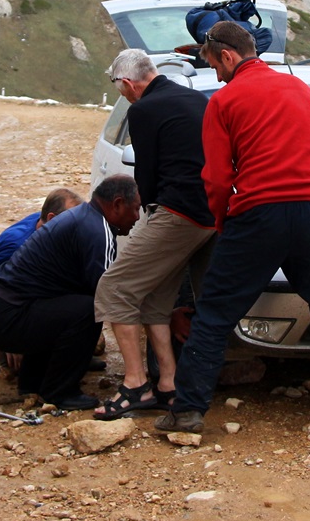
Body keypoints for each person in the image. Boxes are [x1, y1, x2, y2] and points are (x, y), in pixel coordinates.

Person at [155, 22, 310, 435]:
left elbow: (214, 177)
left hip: (257, 214)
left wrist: (226, 221)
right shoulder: (302, 91)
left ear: (227, 56)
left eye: (213, 63)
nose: (214, 72)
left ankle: (187, 412)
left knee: (215, 315)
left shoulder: (224, 102)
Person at [93, 49, 217, 420]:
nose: (122, 94)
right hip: (211, 213)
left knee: (114, 288)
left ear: (128, 83)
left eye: (119, 88)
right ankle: (169, 384)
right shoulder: (195, 98)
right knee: (154, 298)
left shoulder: (143, 110)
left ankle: (135, 384)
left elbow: (145, 176)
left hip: (177, 212)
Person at [0, 175, 141, 410]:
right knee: (88, 309)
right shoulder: (98, 230)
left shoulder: (83, 217)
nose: (137, 217)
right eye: (135, 209)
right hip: (7, 317)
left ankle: (33, 382)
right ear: (117, 204)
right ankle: (60, 391)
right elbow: (108, 295)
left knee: (71, 304)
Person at [0, 188, 85, 373]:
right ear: (52, 218)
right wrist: (2, 337)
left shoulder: (43, 223)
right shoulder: (18, 245)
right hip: (13, 309)